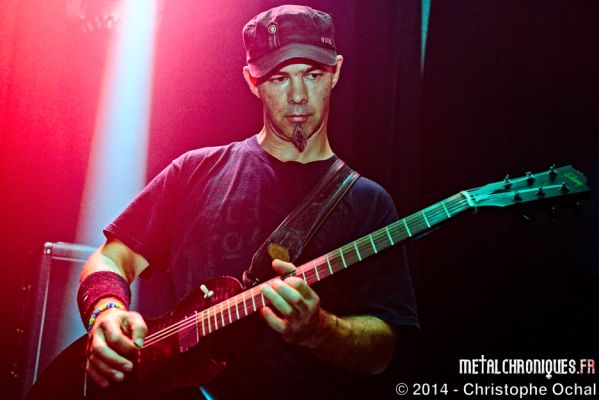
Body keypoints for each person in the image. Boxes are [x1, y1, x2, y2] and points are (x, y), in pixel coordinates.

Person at [77, 4, 419, 399]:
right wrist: (106, 312)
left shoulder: (369, 203)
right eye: (279, 78)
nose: (298, 96)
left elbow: (383, 349)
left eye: (312, 75)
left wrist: (321, 330)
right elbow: (109, 258)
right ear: (252, 81)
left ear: (336, 72)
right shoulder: (195, 171)